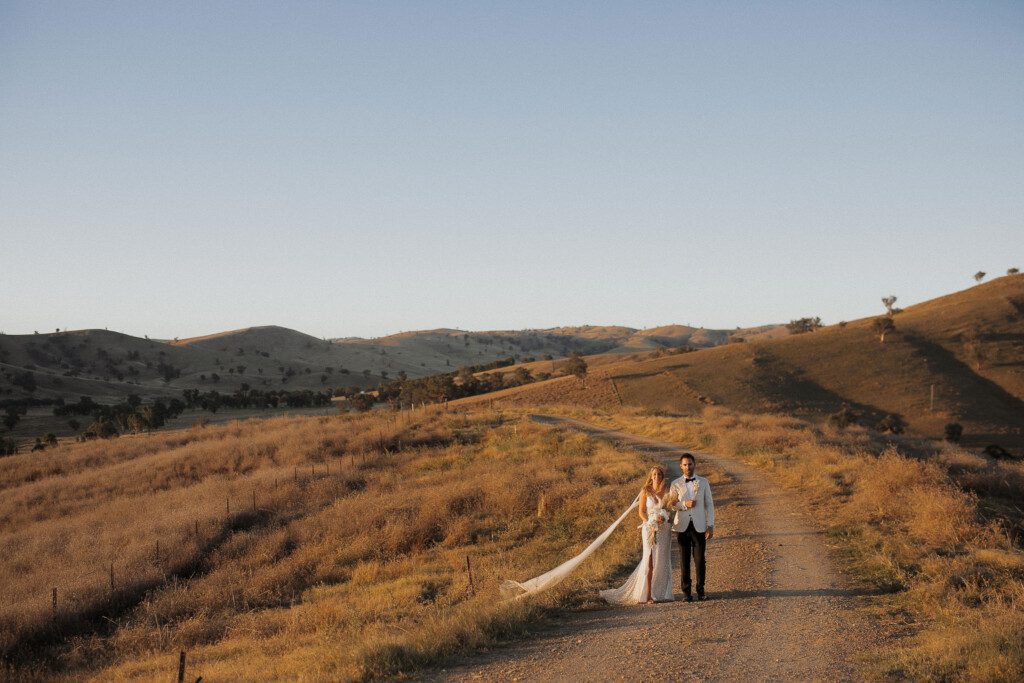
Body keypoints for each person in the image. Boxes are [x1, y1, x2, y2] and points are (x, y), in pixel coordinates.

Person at [600, 466, 675, 604]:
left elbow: (670, 508)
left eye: (659, 474)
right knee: (649, 560)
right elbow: (641, 511)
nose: (656, 476)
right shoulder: (645, 490)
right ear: (650, 476)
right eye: (654, 474)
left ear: (662, 476)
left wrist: (665, 517)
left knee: (661, 561)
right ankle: (647, 595)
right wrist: (649, 522)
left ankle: (658, 592)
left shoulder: (667, 490)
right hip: (649, 527)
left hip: (664, 529)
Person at [670, 453, 715, 601]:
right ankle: (686, 593)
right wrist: (684, 505)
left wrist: (710, 525)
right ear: (680, 466)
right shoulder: (675, 484)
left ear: (694, 464)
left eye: (690, 464)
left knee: (700, 559)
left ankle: (701, 591)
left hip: (700, 526)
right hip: (682, 526)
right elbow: (671, 505)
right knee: (684, 560)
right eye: (684, 464)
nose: (687, 467)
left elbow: (709, 504)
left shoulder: (703, 482)